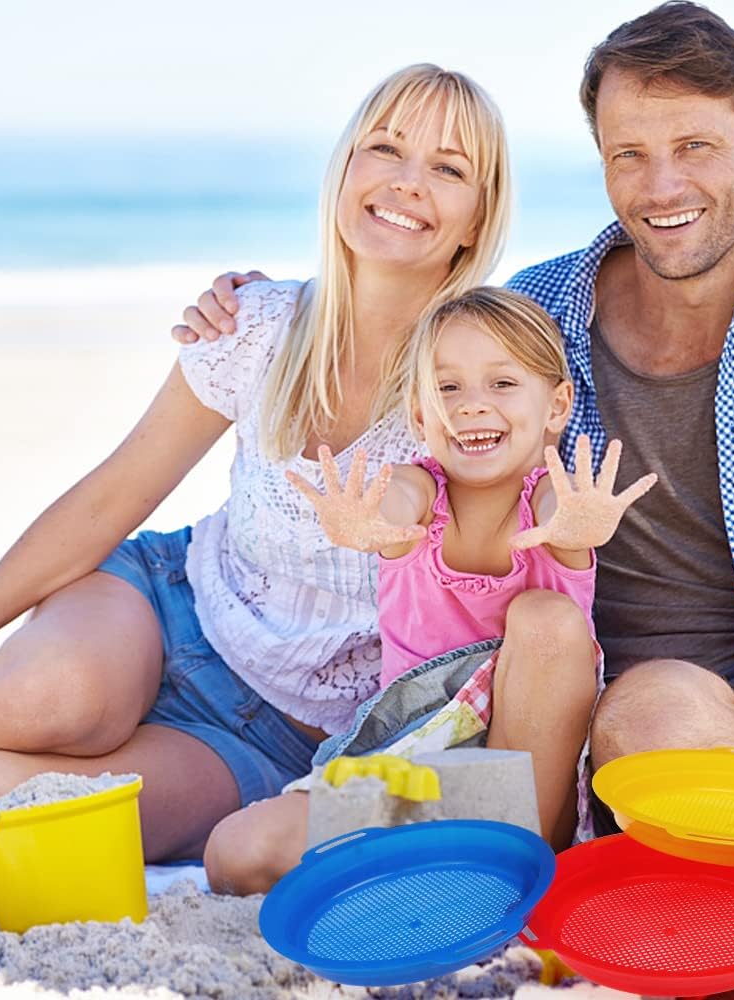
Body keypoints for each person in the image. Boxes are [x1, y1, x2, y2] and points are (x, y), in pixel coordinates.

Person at [177, 3, 734, 881]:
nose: (661, 187)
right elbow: (431, 358)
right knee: (645, 710)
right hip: (673, 736)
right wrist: (272, 307)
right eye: (629, 154)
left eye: (695, 147)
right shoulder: (545, 316)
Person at [0, 64, 515, 863]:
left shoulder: (478, 394)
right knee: (46, 700)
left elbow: (496, 597)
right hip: (165, 606)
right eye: (385, 148)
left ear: (477, 219)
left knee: (16, 801)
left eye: (448, 168)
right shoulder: (256, 322)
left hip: (276, 737)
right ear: (346, 170)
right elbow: (113, 495)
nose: (407, 182)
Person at [202, 286, 656, 892]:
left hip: (532, 791)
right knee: (238, 850)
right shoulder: (418, 492)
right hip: (425, 775)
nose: (472, 405)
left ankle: (513, 864)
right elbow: (395, 503)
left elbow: (561, 512)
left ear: (557, 405)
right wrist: (365, 521)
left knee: (546, 616)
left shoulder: (553, 504)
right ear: (420, 418)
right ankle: (448, 873)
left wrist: (578, 528)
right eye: (448, 388)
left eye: (502, 383)